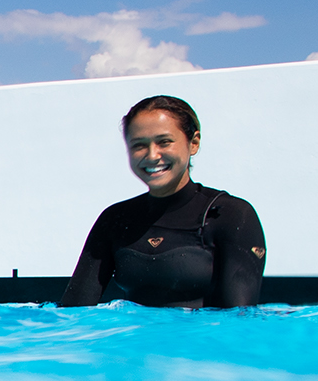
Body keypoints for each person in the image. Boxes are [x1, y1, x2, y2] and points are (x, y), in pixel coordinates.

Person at [59, 95, 266, 308]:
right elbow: (73, 311)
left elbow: (239, 323)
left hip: (202, 340)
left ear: (193, 143)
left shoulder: (230, 215)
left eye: (164, 142)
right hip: (132, 341)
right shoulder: (115, 219)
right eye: (139, 145)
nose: (151, 155)